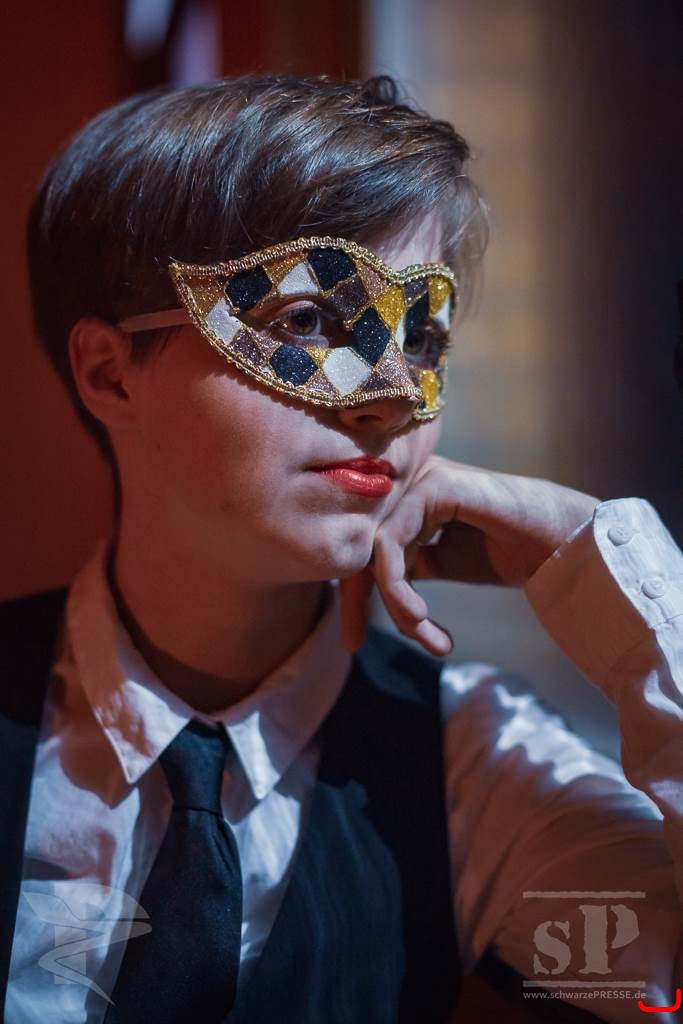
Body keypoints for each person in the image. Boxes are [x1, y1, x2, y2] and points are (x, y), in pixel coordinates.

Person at [2, 72, 682, 1023]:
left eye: (422, 334)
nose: (391, 397)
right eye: (307, 321)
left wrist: (611, 566)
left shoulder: (480, 769)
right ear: (110, 374)